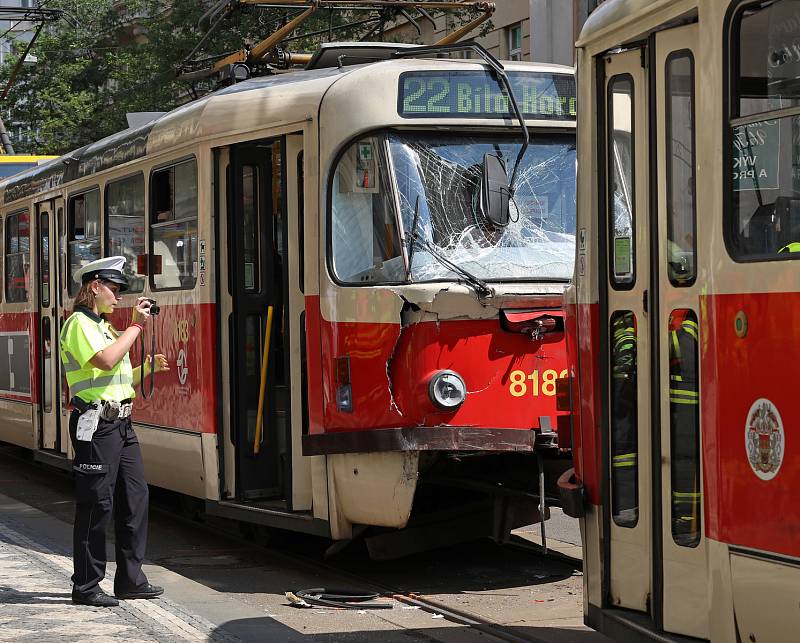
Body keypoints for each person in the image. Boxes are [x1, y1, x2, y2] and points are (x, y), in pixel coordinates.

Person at [60, 256, 169, 607]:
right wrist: (136, 327)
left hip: (120, 423)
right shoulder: (78, 324)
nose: (118, 296)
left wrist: (146, 369)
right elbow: (104, 362)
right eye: (114, 288)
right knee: (97, 505)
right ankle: (87, 586)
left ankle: (130, 580)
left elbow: (115, 380)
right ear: (94, 287)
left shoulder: (105, 328)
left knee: (135, 499)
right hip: (96, 426)